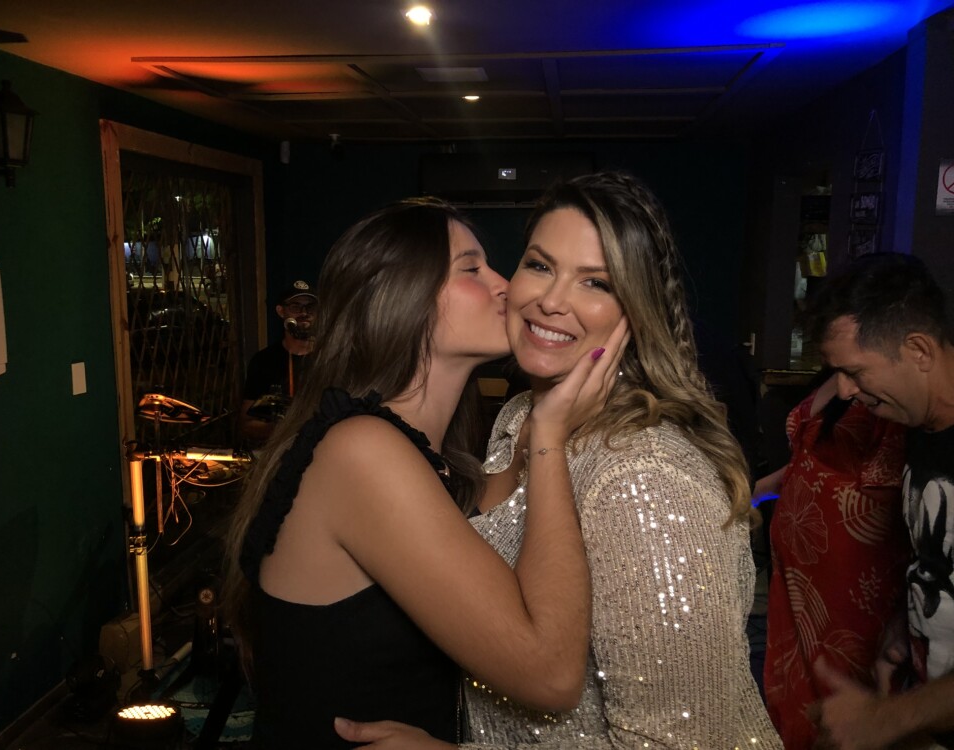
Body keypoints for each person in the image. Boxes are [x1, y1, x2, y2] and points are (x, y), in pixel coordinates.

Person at [336, 171, 782, 748]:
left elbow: (680, 742)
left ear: (635, 311)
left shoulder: (646, 474)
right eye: (540, 265)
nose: (550, 300)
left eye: (595, 282)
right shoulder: (518, 415)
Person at [221, 196, 629, 748]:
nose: (507, 286)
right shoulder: (362, 452)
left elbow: (503, 522)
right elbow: (550, 675)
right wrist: (550, 438)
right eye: (471, 269)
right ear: (400, 298)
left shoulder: (426, 456)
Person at [800, 252, 954, 749]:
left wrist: (883, 720)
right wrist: (908, 624)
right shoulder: (922, 426)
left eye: (856, 372)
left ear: (918, 350)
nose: (845, 390)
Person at [755, 369, 908, 749]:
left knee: (841, 696)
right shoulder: (843, 372)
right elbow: (810, 461)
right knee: (794, 693)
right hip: (798, 580)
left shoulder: (891, 387)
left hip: (853, 582)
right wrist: (756, 492)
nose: (845, 385)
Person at [238, 280, 318, 444]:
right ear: (281, 311)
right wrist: (286, 429)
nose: (304, 313)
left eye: (310, 307)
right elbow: (246, 424)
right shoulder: (264, 361)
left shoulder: (331, 358)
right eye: (295, 307)